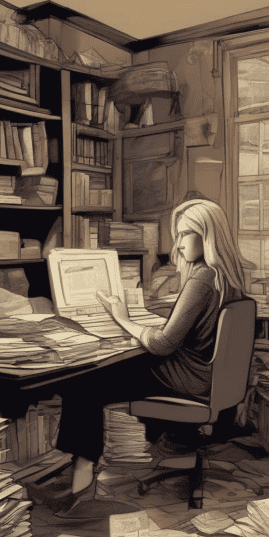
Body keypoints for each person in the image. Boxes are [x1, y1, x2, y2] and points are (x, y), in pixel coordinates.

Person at [54, 196, 248, 506]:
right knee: (103, 374)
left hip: (188, 380)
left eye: (186, 233)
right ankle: (87, 468)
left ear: (207, 235)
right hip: (209, 377)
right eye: (178, 233)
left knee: (86, 381)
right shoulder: (228, 275)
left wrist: (123, 319)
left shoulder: (202, 278)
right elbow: (193, 331)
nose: (179, 242)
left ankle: (82, 477)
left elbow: (162, 344)